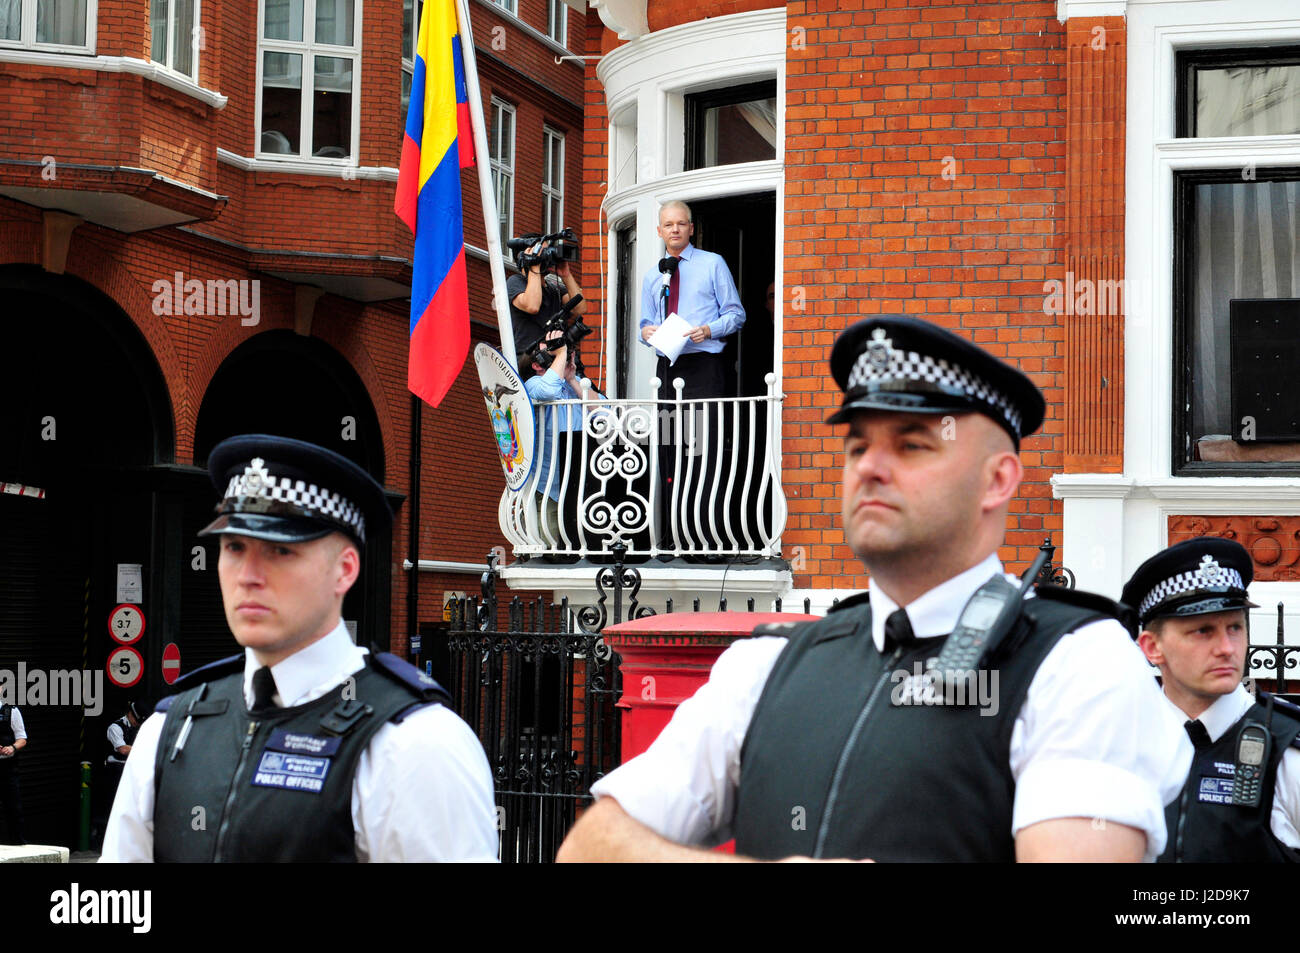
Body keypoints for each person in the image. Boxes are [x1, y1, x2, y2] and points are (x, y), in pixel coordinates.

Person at [558, 314, 1190, 862]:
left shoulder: (1076, 662)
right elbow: (591, 846)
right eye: (858, 445)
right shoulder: (769, 665)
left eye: (911, 445)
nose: (870, 467)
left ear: (998, 480)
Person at [102, 435, 499, 862]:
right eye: (234, 547)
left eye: (280, 550)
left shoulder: (416, 745)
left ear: (345, 570)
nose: (247, 575)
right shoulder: (170, 730)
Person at [1122, 537, 1300, 862]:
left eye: (1235, 627)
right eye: (1203, 631)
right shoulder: (1119, 743)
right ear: (1151, 647)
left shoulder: (1288, 750)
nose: (1227, 648)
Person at [638, 200, 745, 400]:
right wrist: (644, 333)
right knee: (668, 430)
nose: (675, 229)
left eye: (682, 224)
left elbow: (736, 315)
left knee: (703, 430)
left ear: (692, 229)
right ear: (659, 231)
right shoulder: (652, 276)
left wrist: (708, 330)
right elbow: (645, 324)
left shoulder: (713, 263)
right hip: (666, 366)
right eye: (668, 225)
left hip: (704, 363)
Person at [523, 332, 583, 542]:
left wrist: (573, 380)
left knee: (579, 549)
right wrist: (561, 353)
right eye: (551, 353)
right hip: (548, 487)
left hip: (581, 484)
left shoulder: (577, 386)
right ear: (536, 364)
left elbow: (605, 412)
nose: (559, 356)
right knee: (551, 549)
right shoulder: (532, 384)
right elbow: (548, 391)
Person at [507, 239, 586, 368]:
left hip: (555, 362)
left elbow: (580, 308)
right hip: (529, 364)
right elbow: (532, 306)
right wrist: (533, 266)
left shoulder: (554, 289)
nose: (546, 257)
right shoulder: (515, 282)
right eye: (541, 253)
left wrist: (565, 275)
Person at [0, 696, 27, 844]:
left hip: (7, 767)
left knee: (14, 807)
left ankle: (18, 844)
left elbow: (22, 738)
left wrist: (12, 747)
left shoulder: (12, 711)